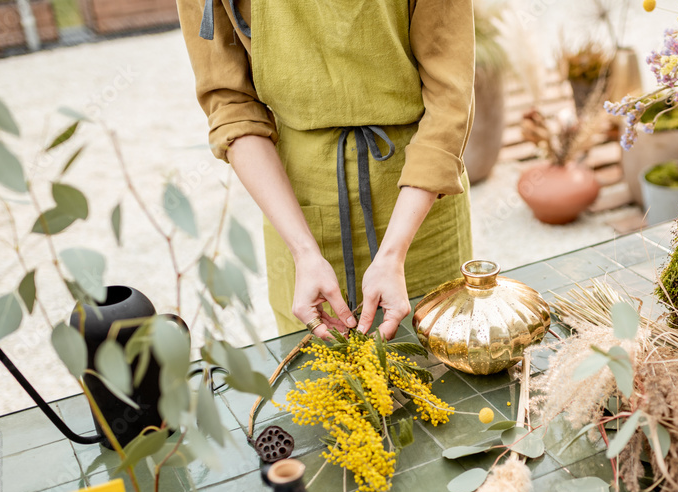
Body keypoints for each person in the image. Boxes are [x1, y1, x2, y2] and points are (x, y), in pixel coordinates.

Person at [177, 0, 475, 340]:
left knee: (441, 370)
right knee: (316, 380)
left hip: (419, 206)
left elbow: (450, 98)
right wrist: (304, 252)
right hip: (298, 210)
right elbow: (231, 106)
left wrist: (394, 253)